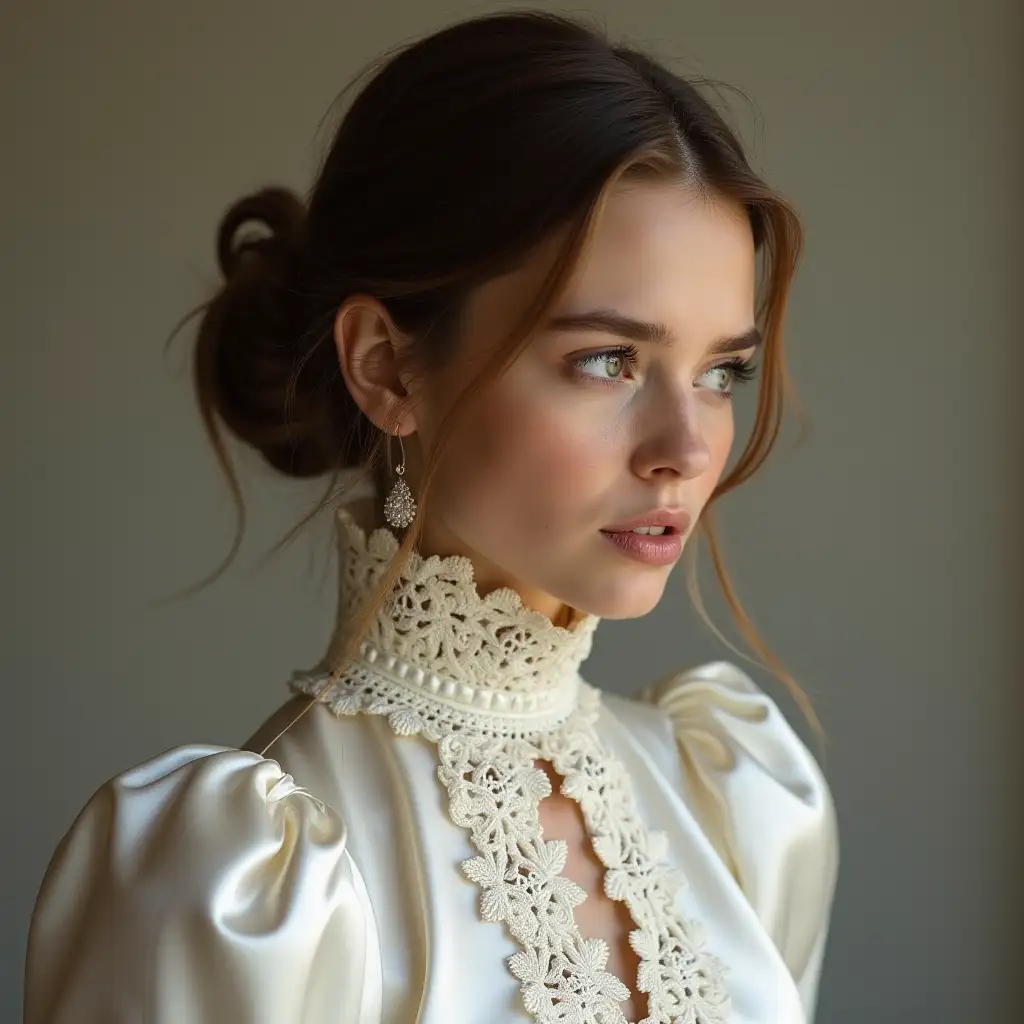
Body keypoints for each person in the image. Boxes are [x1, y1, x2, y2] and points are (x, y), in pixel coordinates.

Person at [24, 10, 838, 1024]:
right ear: (384, 364)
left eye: (721, 371)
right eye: (605, 360)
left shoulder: (738, 801)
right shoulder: (237, 888)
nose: (684, 444)